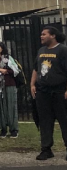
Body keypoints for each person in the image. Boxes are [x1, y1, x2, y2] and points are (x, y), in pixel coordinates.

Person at [31, 26, 67, 161]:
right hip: (43, 92)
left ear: (53, 36)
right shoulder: (41, 51)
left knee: (64, 120)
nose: (41, 36)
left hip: (59, 91)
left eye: (44, 34)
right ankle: (46, 149)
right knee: (45, 120)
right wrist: (32, 84)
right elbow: (36, 68)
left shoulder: (62, 50)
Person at [0, 41, 20, 139]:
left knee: (11, 106)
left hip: (9, 85)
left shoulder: (8, 58)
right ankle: (3, 129)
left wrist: (5, 71)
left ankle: (13, 129)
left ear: (2, 48)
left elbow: (16, 70)